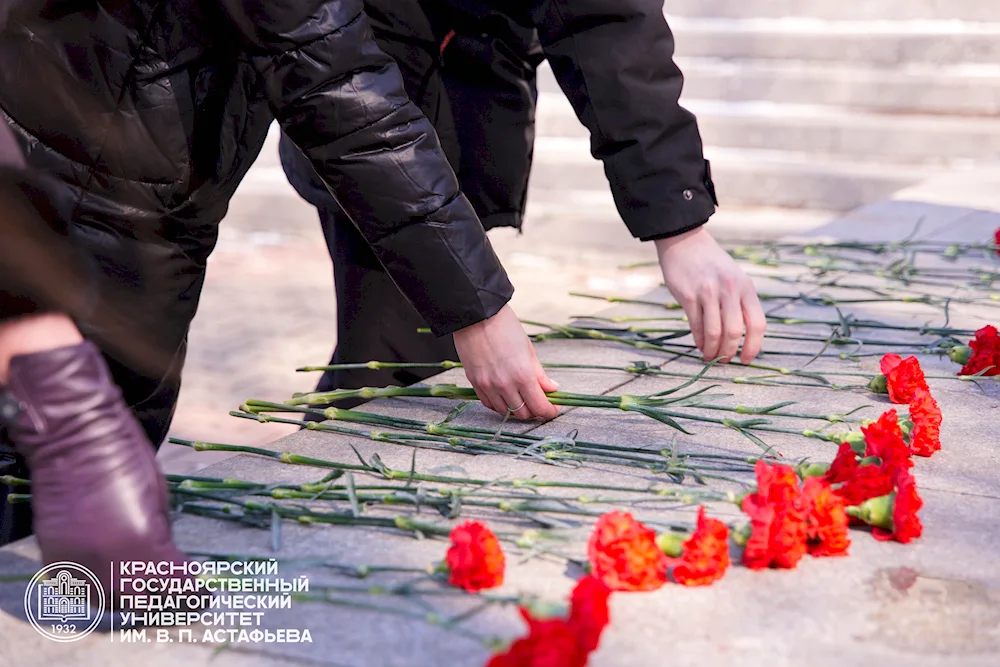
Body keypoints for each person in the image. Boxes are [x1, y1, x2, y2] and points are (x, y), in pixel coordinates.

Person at [0, 0, 565, 572]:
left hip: (110, 176)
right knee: (46, 481)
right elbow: (338, 88)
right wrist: (480, 312)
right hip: (97, 198)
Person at [280, 0, 766, 412]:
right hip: (371, 97)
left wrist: (679, 219)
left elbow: (605, 18)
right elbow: (340, 85)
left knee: (414, 362)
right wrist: (476, 311)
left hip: (460, 74)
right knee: (390, 367)